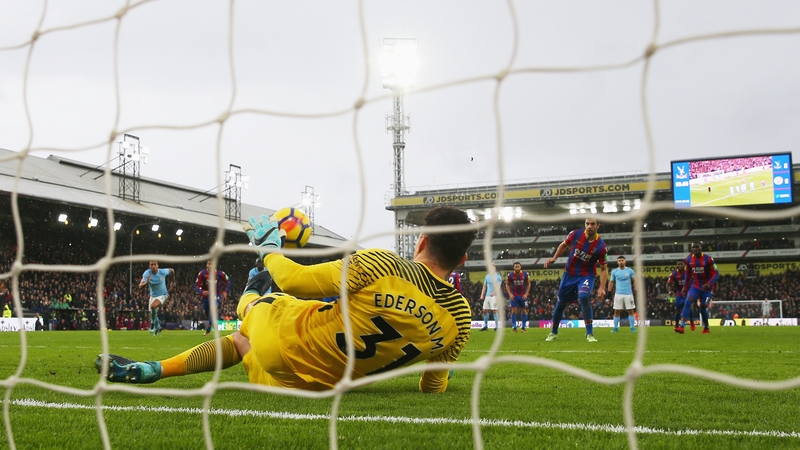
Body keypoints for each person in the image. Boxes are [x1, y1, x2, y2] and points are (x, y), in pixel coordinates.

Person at [96, 206, 476, 393]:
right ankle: (159, 367)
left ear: (422, 240)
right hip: (311, 387)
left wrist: (269, 249)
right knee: (244, 345)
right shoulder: (459, 317)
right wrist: (440, 367)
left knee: (253, 313)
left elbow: (295, 280)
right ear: (462, 260)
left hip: (290, 338)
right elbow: (432, 386)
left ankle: (250, 288)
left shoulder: (383, 264)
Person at [543, 217, 608, 343]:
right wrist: (554, 258)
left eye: (592, 224)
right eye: (587, 224)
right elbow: (564, 245)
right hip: (569, 275)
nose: (589, 226)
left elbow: (604, 268)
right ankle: (553, 332)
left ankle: (589, 334)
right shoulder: (575, 234)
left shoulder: (601, 246)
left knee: (583, 296)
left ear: (597, 226)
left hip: (586, 275)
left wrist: (602, 287)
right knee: (560, 304)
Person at [680, 242, 718, 334]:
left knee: (702, 308)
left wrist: (709, 283)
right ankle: (682, 326)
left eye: (697, 247)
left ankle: (706, 327)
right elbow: (688, 274)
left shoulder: (708, 259)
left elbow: (716, 273)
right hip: (696, 286)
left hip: (707, 289)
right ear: (691, 249)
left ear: (701, 248)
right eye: (693, 247)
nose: (695, 249)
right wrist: (685, 286)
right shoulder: (689, 260)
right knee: (687, 302)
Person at [194, 260, 232, 336]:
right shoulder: (202, 273)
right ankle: (213, 323)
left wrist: (225, 291)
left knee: (213, 308)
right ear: (207, 265)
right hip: (206, 297)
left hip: (216, 295)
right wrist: (202, 291)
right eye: (209, 264)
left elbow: (229, 281)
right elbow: (196, 286)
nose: (211, 265)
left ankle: (208, 329)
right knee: (209, 314)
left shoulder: (220, 273)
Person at [139, 261, 174, 336]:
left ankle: (152, 324)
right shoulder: (147, 274)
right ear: (149, 266)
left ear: (158, 266)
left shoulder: (163, 272)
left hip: (163, 295)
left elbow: (172, 270)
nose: (153, 266)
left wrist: (173, 281)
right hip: (153, 296)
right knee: (152, 313)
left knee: (153, 307)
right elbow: (140, 287)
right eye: (151, 265)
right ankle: (158, 327)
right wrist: (146, 283)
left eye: (155, 265)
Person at [608, 256, 636, 333]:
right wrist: (609, 291)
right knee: (617, 311)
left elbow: (635, 280)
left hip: (628, 294)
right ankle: (615, 328)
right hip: (618, 294)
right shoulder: (614, 271)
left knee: (630, 310)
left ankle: (632, 328)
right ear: (617, 262)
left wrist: (636, 290)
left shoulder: (630, 271)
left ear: (625, 261)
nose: (621, 262)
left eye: (622, 260)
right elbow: (611, 282)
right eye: (619, 260)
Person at [505, 262, 530, 332]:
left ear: (520, 267)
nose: (517, 268)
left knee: (524, 311)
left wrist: (526, 294)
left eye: (518, 266)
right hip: (514, 296)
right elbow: (507, 284)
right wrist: (510, 294)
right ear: (513, 268)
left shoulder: (525, 274)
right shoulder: (510, 275)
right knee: (513, 311)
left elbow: (528, 284)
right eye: (515, 267)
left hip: (523, 296)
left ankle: (523, 327)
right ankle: (514, 327)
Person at [668, 260, 691, 334]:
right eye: (679, 264)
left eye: (682, 264)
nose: (680, 265)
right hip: (679, 294)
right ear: (677, 265)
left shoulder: (688, 272)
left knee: (688, 309)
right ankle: (676, 325)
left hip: (688, 293)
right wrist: (670, 291)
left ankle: (684, 325)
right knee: (678, 311)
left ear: (684, 265)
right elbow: (668, 284)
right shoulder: (674, 273)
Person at [479, 264, 503, 331]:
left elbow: (498, 286)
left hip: (495, 296)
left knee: (494, 311)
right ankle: (486, 326)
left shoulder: (498, 277)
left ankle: (497, 327)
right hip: (487, 296)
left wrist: (494, 293)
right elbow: (484, 286)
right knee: (485, 310)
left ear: (495, 269)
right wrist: (482, 295)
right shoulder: (487, 276)